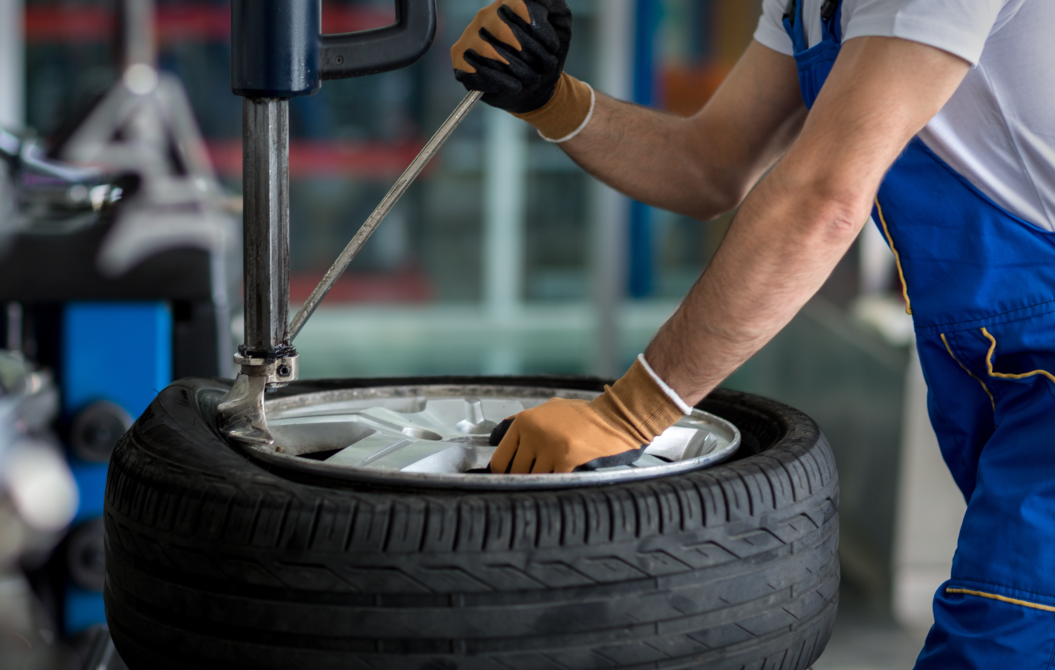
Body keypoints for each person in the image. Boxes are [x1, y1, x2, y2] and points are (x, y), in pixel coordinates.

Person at [452, 0, 1055, 666]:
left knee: (1001, 638)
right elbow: (710, 165)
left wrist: (628, 414)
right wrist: (552, 100)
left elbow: (823, 195)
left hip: (1040, 358)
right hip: (992, 365)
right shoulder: (806, 6)